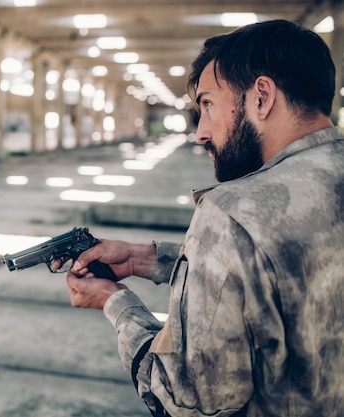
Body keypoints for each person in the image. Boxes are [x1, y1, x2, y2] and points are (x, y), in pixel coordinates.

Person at [64, 19, 344, 416]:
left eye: (209, 104)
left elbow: (187, 399)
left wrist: (115, 301)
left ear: (261, 97)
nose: (201, 132)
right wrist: (148, 259)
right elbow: (290, 269)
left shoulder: (233, 212)